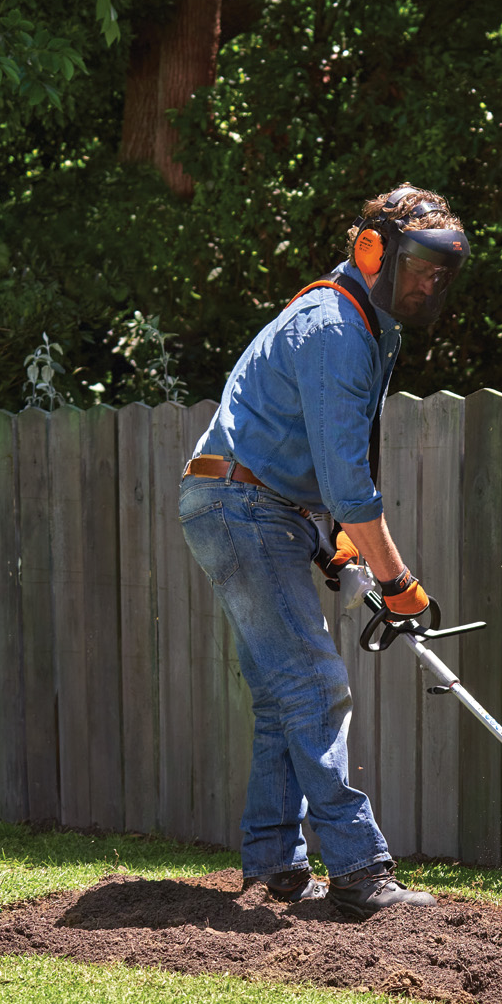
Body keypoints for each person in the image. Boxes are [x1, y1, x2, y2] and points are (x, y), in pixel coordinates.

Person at [178, 184, 470, 913]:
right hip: (241, 503)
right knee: (316, 681)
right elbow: (351, 486)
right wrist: (395, 577)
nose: (431, 282)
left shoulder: (374, 329)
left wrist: (332, 544)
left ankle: (276, 863)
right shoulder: (334, 327)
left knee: (284, 693)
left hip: (256, 503)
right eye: (421, 265)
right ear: (374, 252)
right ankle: (360, 870)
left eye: (443, 271)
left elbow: (320, 460)